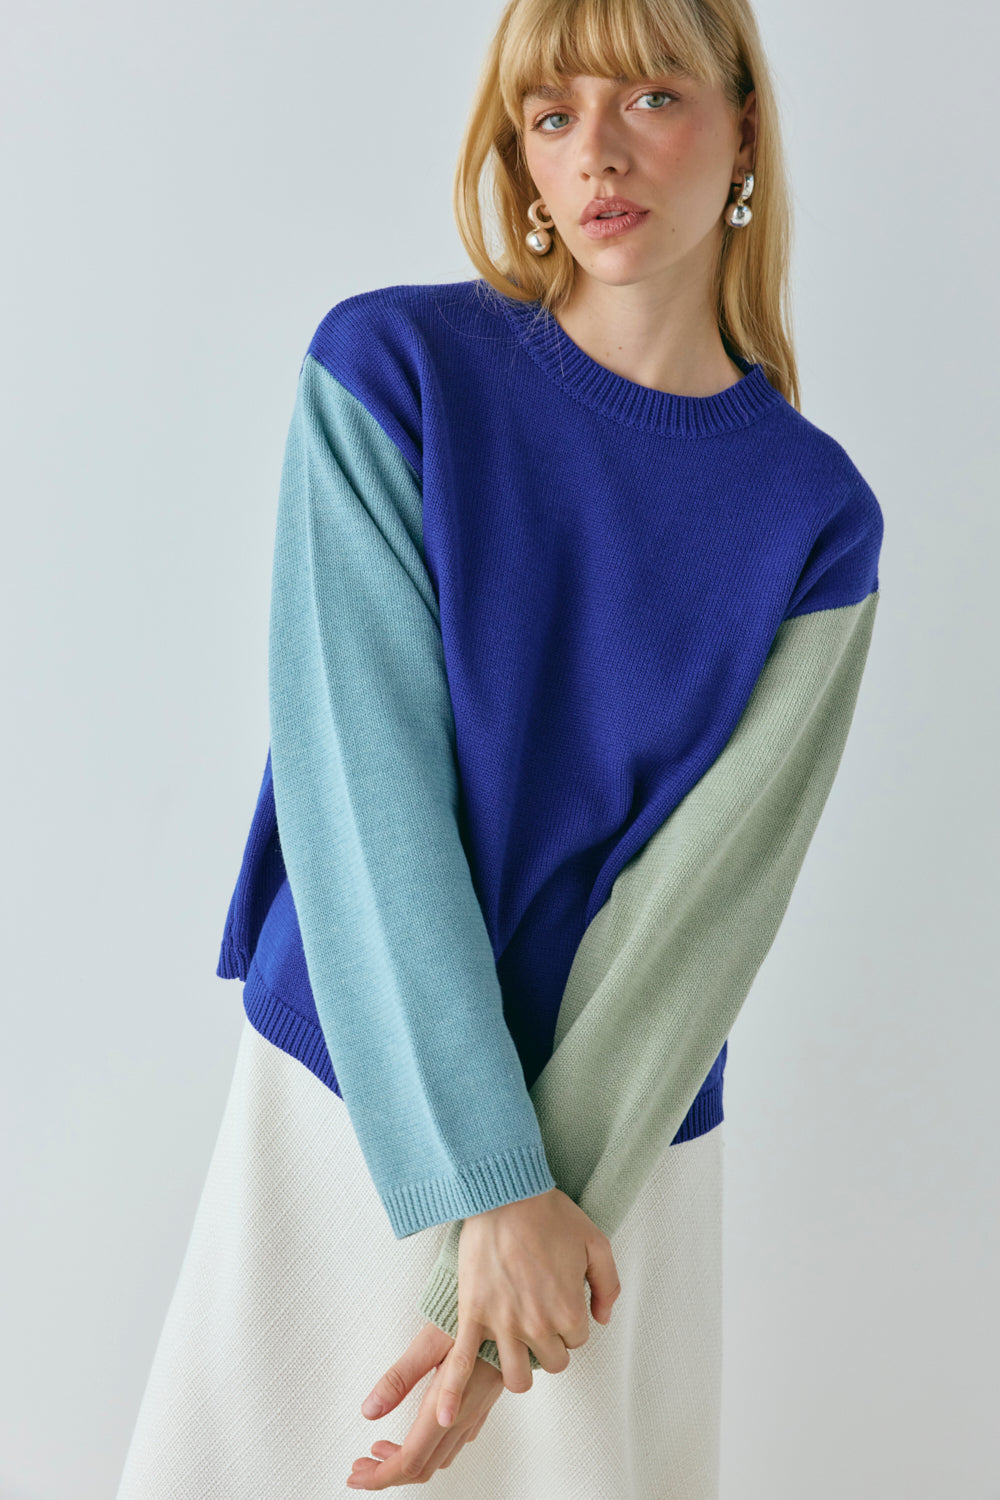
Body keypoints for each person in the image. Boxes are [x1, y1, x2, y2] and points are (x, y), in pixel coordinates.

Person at [114, 0, 884, 1494]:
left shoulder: (816, 519)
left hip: (621, 1158)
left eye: (649, 97)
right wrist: (487, 1182)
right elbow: (365, 795)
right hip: (356, 1099)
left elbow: (701, 917)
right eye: (550, 114)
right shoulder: (394, 371)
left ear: (742, 129)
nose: (595, 152)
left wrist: (538, 1210)